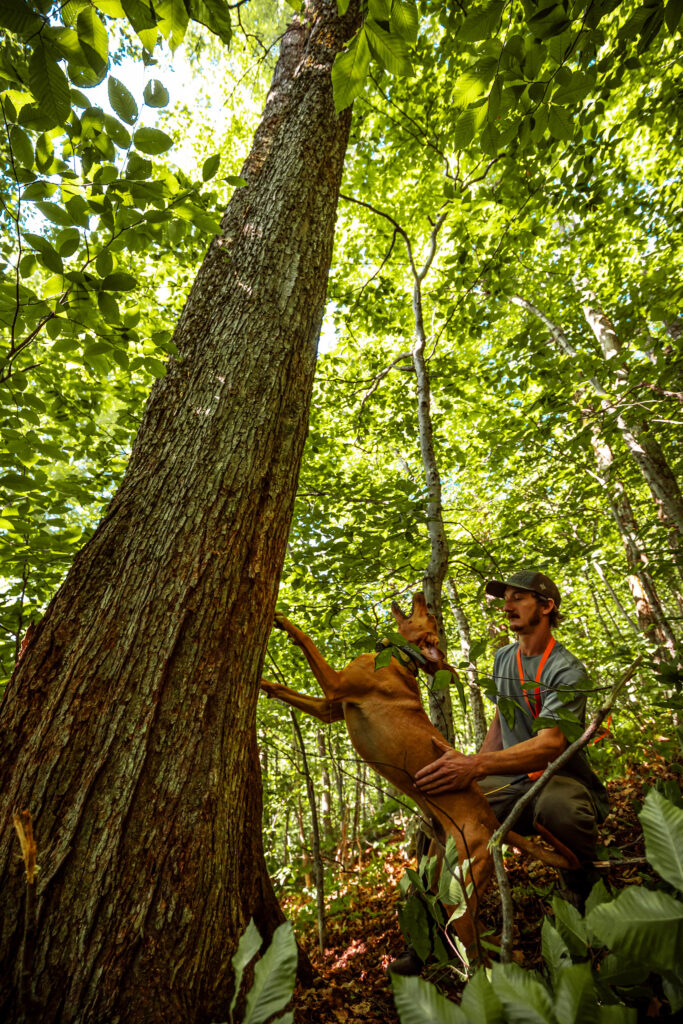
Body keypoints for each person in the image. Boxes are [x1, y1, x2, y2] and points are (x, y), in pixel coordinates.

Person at [388, 569, 608, 976]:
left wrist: (475, 765)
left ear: (547, 606)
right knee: (442, 817)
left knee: (561, 808)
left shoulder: (566, 670)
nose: (507, 606)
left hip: (558, 778)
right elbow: (500, 721)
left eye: (519, 598)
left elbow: (549, 745)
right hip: (508, 777)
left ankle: (582, 890)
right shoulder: (504, 658)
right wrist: (473, 774)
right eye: (505, 599)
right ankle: (431, 934)